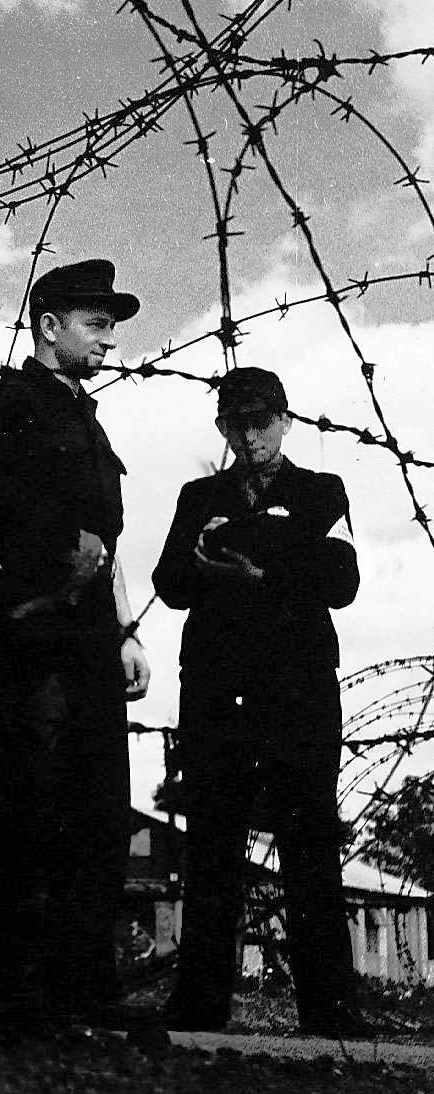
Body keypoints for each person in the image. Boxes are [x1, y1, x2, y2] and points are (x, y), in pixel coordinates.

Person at [0, 259, 150, 1023]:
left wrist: (128, 630)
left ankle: (84, 987)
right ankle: (19, 987)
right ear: (48, 325)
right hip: (27, 636)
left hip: (91, 640)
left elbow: (106, 540)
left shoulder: (88, 421)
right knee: (25, 810)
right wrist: (53, 536)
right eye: (96, 324)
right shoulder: (1, 404)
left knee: (97, 813)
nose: (108, 340)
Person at [152, 367, 363, 1036]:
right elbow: (172, 580)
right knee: (212, 849)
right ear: (222, 427)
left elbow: (342, 577)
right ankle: (200, 1007)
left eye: (263, 419)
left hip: (298, 693)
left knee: (310, 848)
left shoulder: (321, 490)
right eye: (238, 422)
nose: (252, 434)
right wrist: (225, 553)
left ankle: (330, 1013)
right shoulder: (200, 494)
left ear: (286, 420)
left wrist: (261, 569)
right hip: (218, 692)